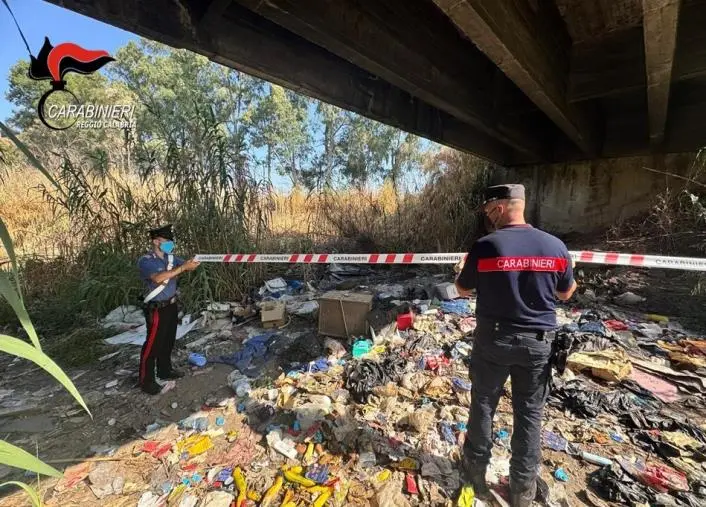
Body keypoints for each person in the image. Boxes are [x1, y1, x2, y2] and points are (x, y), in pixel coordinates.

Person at [454, 184, 577, 507]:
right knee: (530, 413)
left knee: (483, 403)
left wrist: (464, 271)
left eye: (488, 211)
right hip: (538, 344)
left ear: (499, 208)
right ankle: (523, 489)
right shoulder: (555, 246)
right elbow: (566, 293)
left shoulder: (486, 246)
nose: (487, 217)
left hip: (493, 339)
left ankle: (476, 473)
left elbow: (462, 289)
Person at [137, 224, 200, 395]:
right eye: (166, 241)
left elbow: (188, 265)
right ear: (156, 241)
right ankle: (146, 381)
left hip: (171, 306)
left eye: (171, 242)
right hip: (156, 309)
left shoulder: (171, 259)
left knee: (168, 341)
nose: (169, 245)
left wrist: (193, 262)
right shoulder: (146, 261)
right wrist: (182, 268)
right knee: (152, 345)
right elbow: (158, 278)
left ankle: (165, 370)